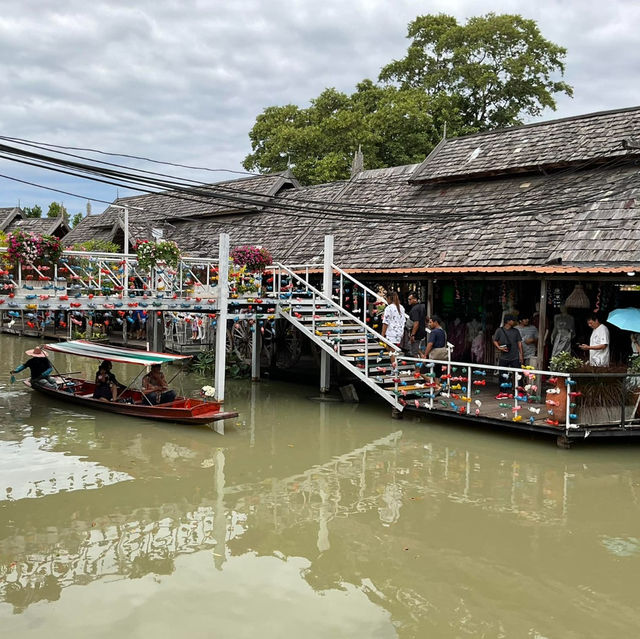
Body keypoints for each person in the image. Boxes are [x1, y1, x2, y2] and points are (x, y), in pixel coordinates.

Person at [381, 291, 405, 366]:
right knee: (392, 350)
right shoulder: (401, 307)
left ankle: (395, 370)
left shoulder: (389, 308)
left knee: (391, 352)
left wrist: (382, 334)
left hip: (391, 332)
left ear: (388, 298)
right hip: (399, 332)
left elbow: (386, 322)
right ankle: (397, 361)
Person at [407, 293, 426, 358]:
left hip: (417, 334)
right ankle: (422, 365)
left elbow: (416, 323)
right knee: (419, 350)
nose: (408, 300)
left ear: (415, 299)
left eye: (410, 299)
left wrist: (413, 335)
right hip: (423, 333)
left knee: (415, 352)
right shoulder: (423, 307)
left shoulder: (414, 309)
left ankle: (418, 368)